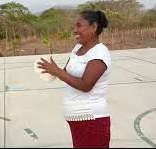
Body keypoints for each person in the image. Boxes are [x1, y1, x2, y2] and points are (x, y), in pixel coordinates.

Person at [38, 10, 111, 148]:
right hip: (77, 120)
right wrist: (51, 70)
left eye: (79, 26)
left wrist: (58, 71)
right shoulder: (78, 48)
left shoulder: (99, 53)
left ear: (94, 27)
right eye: (75, 26)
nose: (74, 30)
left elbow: (86, 85)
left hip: (92, 120)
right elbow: (66, 74)